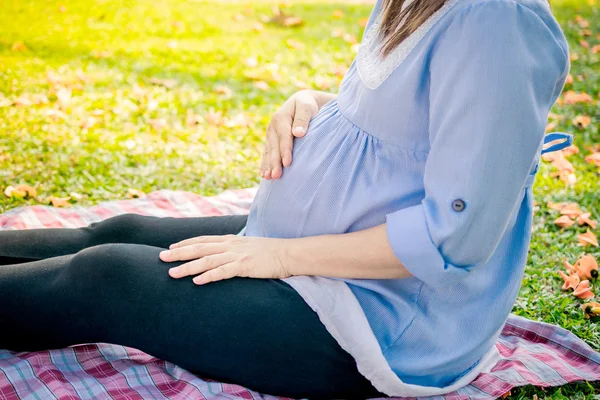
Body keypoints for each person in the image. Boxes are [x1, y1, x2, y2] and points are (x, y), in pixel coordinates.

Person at [0, 0, 572, 397]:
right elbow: (411, 125)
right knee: (117, 230)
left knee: (106, 277)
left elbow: (455, 236)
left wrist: (277, 258)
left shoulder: (497, 20)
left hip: (373, 319)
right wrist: (315, 103)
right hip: (308, 253)